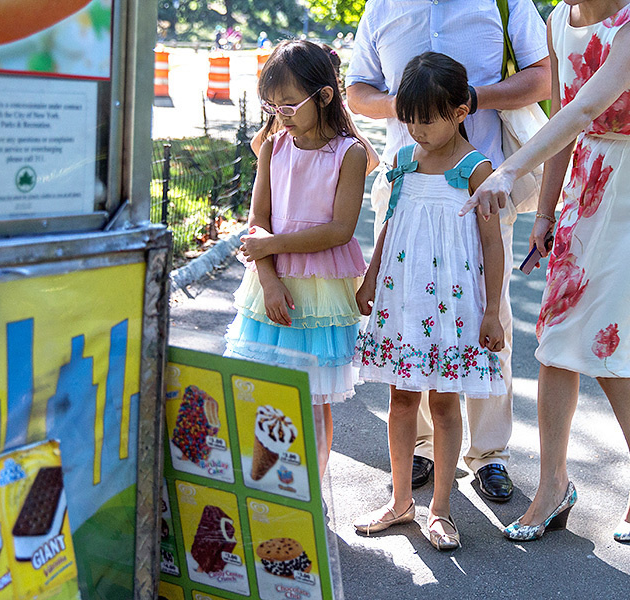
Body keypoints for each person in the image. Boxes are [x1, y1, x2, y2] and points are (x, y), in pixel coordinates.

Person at [462, 0, 630, 542]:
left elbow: (584, 111)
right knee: (557, 338)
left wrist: (510, 170)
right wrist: (544, 211)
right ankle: (552, 485)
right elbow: (565, 117)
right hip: (590, 179)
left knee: (608, 336)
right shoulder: (559, 19)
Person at [346, 0, 551, 501]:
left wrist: (470, 100)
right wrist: (413, 109)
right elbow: (356, 92)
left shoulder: (506, 3)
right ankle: (419, 448)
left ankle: (489, 454)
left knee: (487, 313)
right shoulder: (381, 7)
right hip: (407, 188)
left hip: (478, 186)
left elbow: (544, 77)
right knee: (408, 311)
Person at [353, 52, 506, 551]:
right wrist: (371, 279)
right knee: (400, 400)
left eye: (427, 120)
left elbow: (491, 245)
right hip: (403, 301)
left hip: (453, 306)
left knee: (443, 403)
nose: (416, 131)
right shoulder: (400, 163)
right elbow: (389, 228)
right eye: (409, 121)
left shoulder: (475, 170)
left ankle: (439, 509)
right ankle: (400, 500)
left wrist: (490, 311)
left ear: (461, 111)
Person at [225, 40, 369, 477]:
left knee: (311, 399)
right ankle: (264, 483)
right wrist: (268, 280)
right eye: (272, 106)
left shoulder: (351, 153)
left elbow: (339, 230)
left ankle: (308, 494)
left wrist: (271, 245)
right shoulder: (272, 144)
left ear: (324, 96)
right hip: (271, 286)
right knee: (266, 394)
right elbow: (259, 219)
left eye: (288, 104)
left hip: (319, 292)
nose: (279, 114)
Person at [251, 43, 380, 176]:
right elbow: (257, 143)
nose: (281, 116)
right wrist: (278, 174)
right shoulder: (286, 111)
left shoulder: (338, 117)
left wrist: (340, 181)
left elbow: (371, 160)